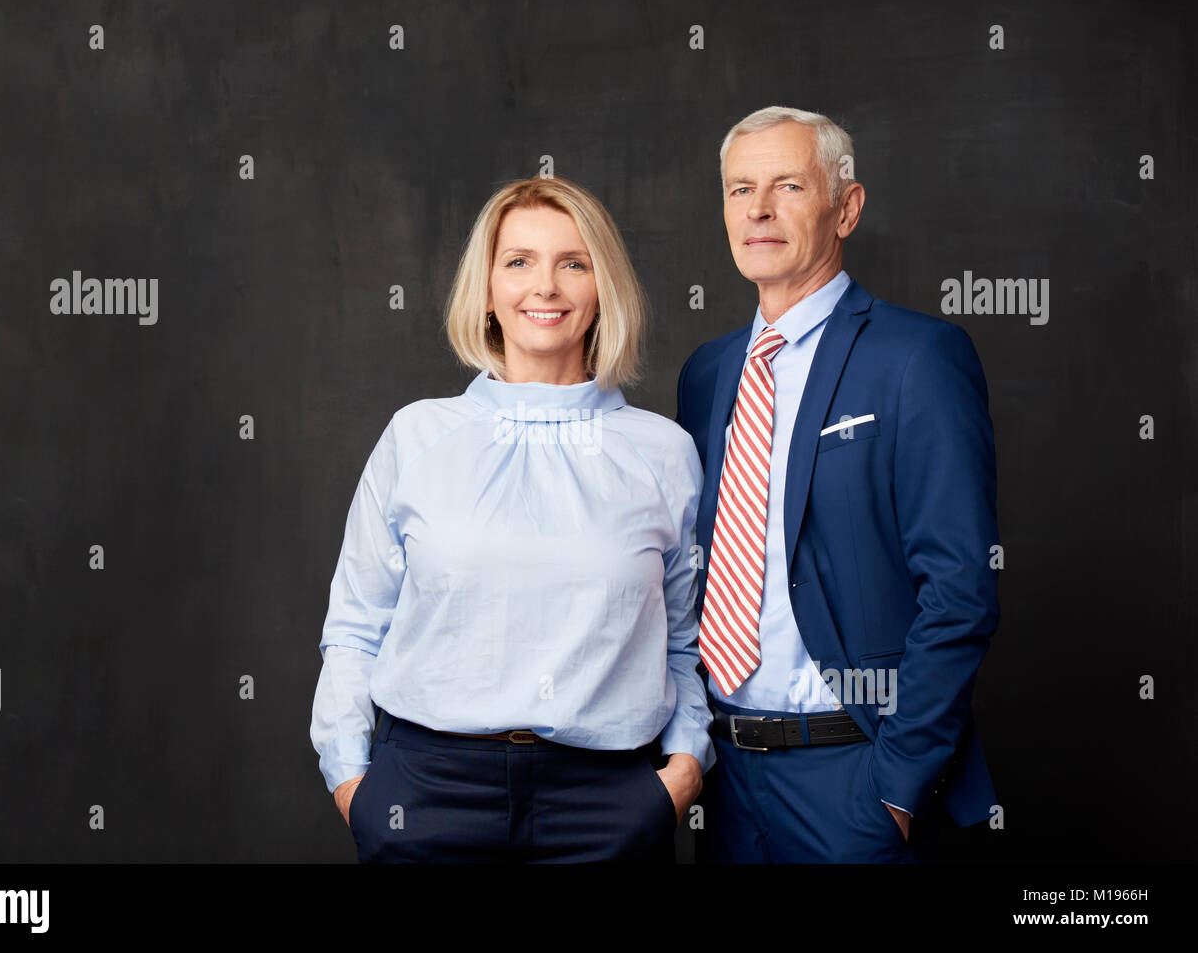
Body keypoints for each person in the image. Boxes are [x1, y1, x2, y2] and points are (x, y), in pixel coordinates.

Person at [310, 175, 714, 862]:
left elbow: (683, 639)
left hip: (607, 801)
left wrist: (682, 772)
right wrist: (353, 780)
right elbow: (354, 627)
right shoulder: (416, 436)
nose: (545, 287)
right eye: (519, 261)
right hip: (428, 793)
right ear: (489, 289)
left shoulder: (664, 453)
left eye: (573, 263)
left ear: (602, 286)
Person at [675, 106, 1000, 862]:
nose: (757, 209)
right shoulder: (706, 374)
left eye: (788, 185)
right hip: (725, 778)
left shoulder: (918, 358)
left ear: (846, 208)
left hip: (854, 775)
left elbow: (960, 588)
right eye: (738, 189)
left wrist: (895, 787)